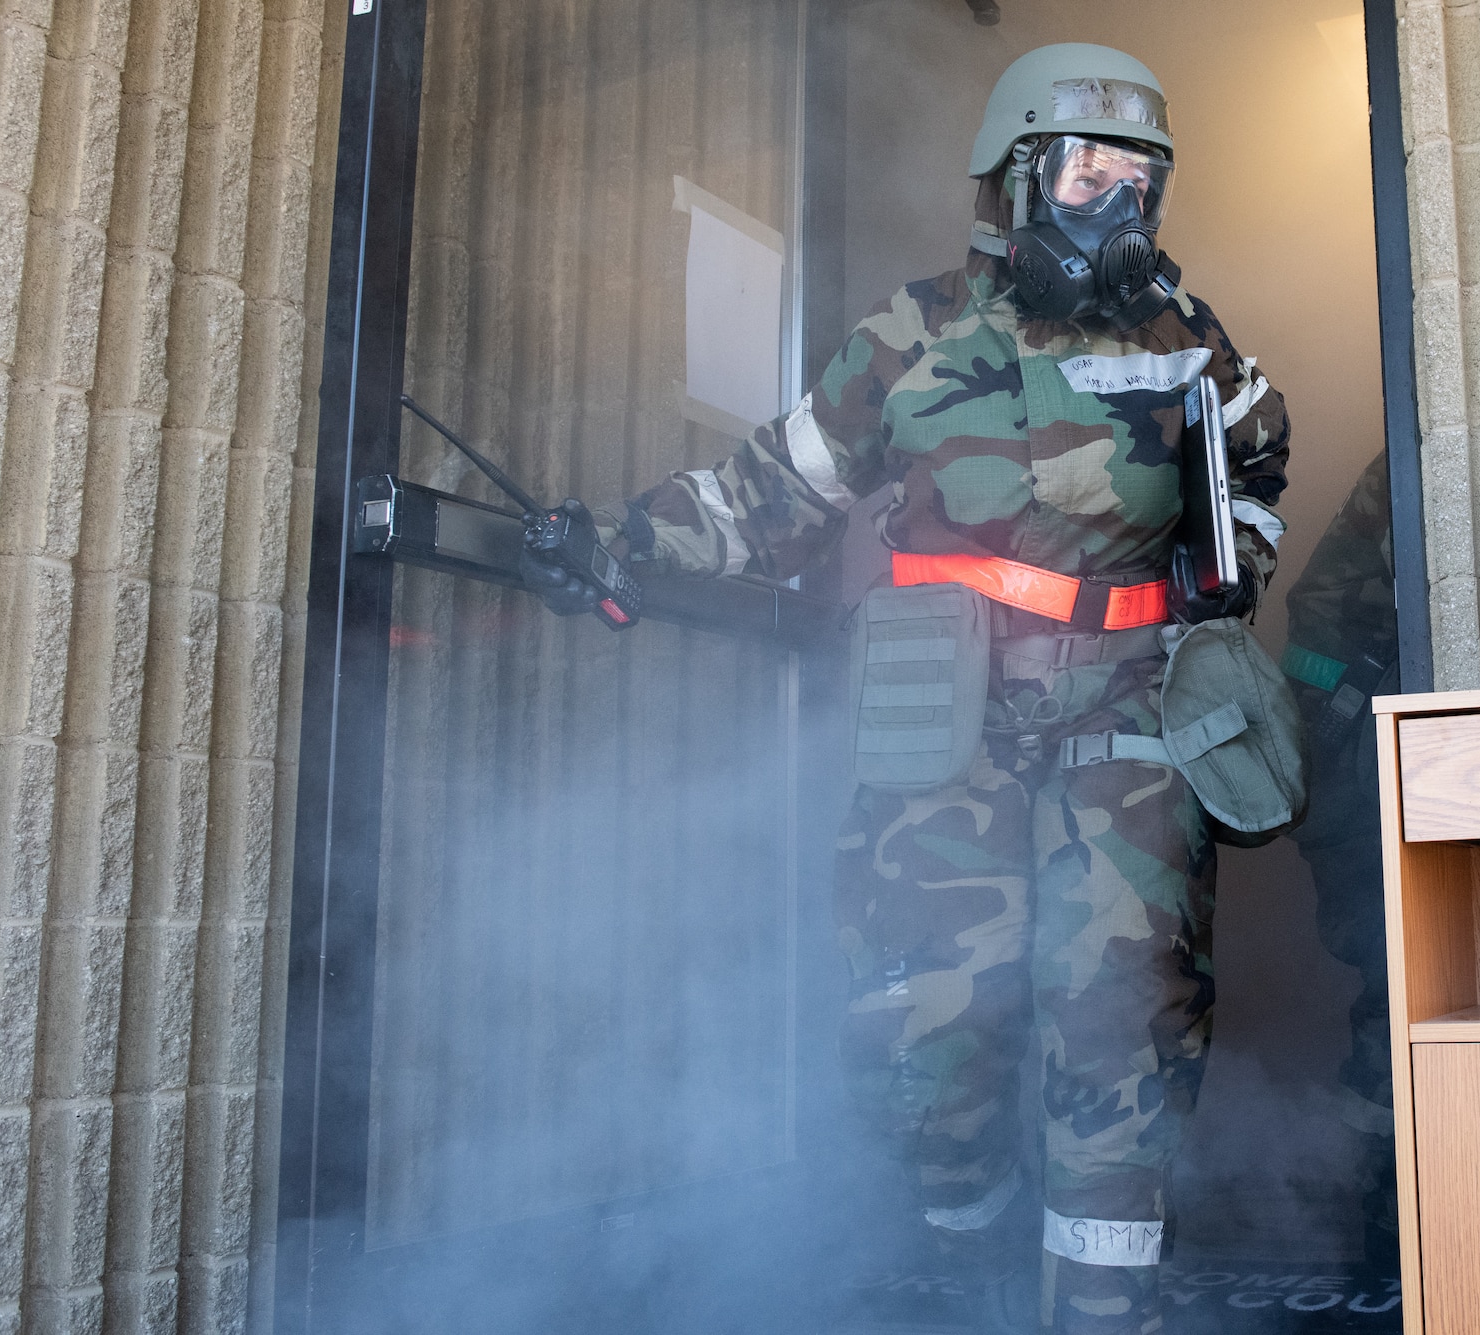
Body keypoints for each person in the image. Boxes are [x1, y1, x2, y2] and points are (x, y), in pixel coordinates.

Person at [538, 45, 1290, 1335]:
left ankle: (1104, 1312)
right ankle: (974, 1247)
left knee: (1122, 1023)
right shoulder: (914, 331)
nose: (1110, 195)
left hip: (1126, 720)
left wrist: (1231, 586)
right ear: (1015, 178)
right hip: (943, 719)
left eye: (1134, 174)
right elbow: (771, 493)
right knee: (923, 1029)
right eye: (1083, 166)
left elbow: (1260, 471)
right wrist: (620, 543)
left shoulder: (1186, 340)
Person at [1277, 450, 1399, 1271]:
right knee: (1393, 981)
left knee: (1389, 989)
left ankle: (1388, 1210)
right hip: (1348, 770)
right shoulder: (1419, 459)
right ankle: (1388, 1220)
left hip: (1349, 758)